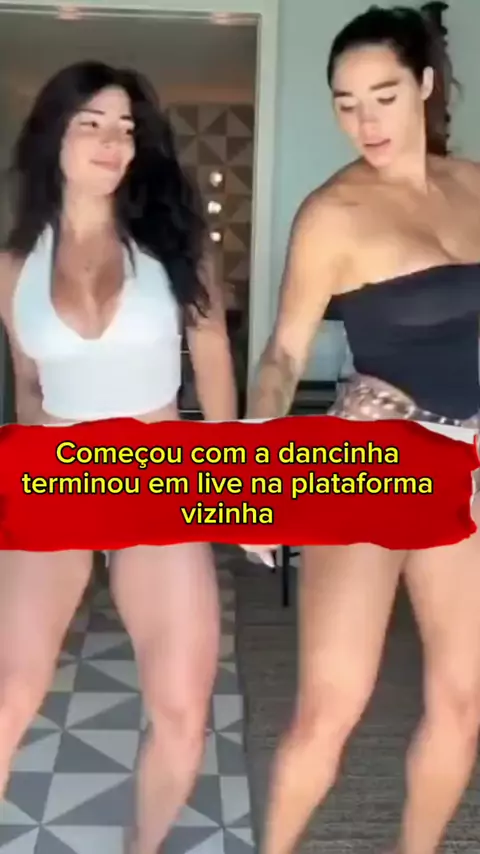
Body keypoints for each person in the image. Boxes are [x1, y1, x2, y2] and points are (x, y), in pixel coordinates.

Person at [245, 6, 480, 854]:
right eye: (346, 103)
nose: (365, 121)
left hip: (465, 464)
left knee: (462, 704)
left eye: (384, 96)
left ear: (424, 86)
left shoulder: (475, 186)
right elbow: (281, 353)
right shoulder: (332, 215)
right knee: (329, 709)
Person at [0, 61, 237, 854]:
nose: (113, 142)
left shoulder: (174, 244)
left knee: (182, 710)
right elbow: (28, 385)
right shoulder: (13, 267)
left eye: (126, 129)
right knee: (7, 694)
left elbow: (213, 359)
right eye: (92, 124)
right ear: (54, 136)